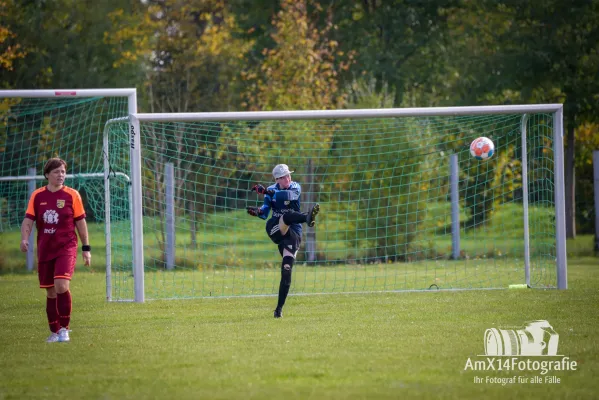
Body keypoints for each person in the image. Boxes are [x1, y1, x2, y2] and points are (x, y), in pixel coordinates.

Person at [20, 158, 91, 342]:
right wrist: (24, 239)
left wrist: (86, 248)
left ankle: (64, 329)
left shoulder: (72, 195)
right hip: (45, 248)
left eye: (63, 172)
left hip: (66, 247)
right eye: (56, 172)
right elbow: (28, 220)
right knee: (50, 292)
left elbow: (81, 222)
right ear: (47, 175)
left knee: (61, 285)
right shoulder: (37, 196)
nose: (61, 175)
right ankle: (54, 331)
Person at [247, 164, 319, 318]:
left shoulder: (295, 187)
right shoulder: (271, 190)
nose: (288, 178)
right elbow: (265, 212)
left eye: (288, 175)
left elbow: (288, 197)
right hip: (275, 228)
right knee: (285, 217)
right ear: (277, 179)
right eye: (284, 176)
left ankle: (278, 310)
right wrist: (258, 211)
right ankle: (307, 217)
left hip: (293, 234)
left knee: (286, 270)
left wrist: (267, 190)